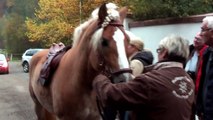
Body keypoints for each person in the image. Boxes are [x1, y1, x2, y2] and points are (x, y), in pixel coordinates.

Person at [93, 34, 195, 120]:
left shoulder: (151, 81)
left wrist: (99, 76)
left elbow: (110, 95)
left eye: (159, 50)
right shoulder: (189, 81)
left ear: (164, 52)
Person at [196, 16, 213, 120]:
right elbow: (203, 83)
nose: (200, 33)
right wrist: (200, 107)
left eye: (203, 29)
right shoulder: (207, 53)